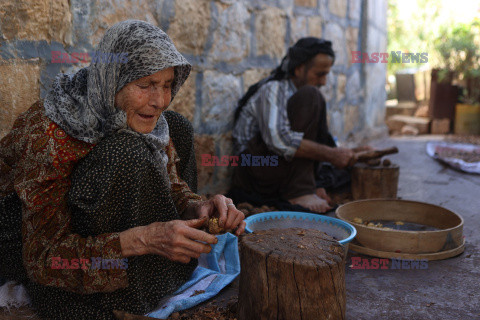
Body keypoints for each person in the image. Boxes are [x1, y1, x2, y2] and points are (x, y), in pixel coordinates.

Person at [0, 20, 245, 319]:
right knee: (126, 152)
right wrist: (145, 238)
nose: (159, 101)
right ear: (112, 78)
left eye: (167, 85)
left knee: (177, 126)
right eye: (145, 85)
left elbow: (170, 183)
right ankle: (119, 294)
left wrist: (197, 207)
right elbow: (43, 260)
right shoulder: (48, 133)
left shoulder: (141, 116)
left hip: (105, 235)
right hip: (41, 258)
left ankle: (159, 270)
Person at [231, 37, 369, 214]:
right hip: (254, 167)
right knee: (311, 96)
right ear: (298, 69)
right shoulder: (273, 89)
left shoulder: (300, 96)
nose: (324, 82)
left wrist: (354, 152)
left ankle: (307, 186)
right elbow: (279, 141)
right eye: (320, 74)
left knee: (342, 171)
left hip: (280, 171)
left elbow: (318, 141)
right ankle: (300, 191)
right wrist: (333, 155)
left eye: (326, 74)